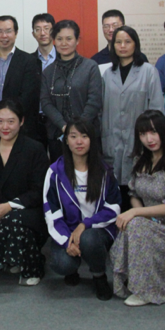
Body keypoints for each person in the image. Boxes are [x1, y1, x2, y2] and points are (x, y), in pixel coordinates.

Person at [110, 110, 165, 306]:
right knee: (133, 225)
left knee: (135, 223)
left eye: (153, 132)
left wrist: (136, 213)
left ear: (163, 132)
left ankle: (146, 290)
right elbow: (133, 194)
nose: (149, 139)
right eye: (143, 134)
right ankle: (135, 279)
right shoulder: (140, 159)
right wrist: (140, 215)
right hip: (150, 220)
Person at [43, 119, 121, 300]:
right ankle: (72, 269)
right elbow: (51, 212)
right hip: (67, 231)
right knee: (62, 264)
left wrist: (85, 225)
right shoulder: (55, 172)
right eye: (73, 136)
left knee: (89, 238)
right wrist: (67, 241)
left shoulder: (105, 171)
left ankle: (99, 275)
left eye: (84, 136)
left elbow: (114, 207)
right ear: (66, 140)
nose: (79, 142)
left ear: (92, 140)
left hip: (97, 231)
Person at [0, 100, 49, 285]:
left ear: (21, 121)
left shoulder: (35, 149)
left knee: (14, 220)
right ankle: (15, 259)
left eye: (11, 121)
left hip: (28, 212)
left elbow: (39, 191)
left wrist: (9, 206)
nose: (5, 127)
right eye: (0, 121)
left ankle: (30, 266)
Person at [101, 26, 165, 197]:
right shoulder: (107, 74)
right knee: (115, 192)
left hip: (139, 140)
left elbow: (157, 110)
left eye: (127, 42)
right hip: (112, 140)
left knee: (139, 191)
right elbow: (101, 110)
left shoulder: (148, 71)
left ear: (135, 44)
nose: (123, 46)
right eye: (118, 42)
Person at [40, 20, 103, 162]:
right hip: (57, 134)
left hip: (86, 134)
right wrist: (64, 126)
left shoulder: (90, 67)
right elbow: (46, 103)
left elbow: (94, 101)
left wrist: (77, 129)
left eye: (69, 39)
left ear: (77, 40)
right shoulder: (48, 72)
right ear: (54, 40)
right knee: (61, 171)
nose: (64, 43)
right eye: (59, 39)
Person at [0, 15, 41, 145]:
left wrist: (9, 123)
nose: (4, 35)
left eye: (8, 31)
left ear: (16, 33)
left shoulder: (30, 62)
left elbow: (28, 96)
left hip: (20, 129)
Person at [91, 9, 147, 74]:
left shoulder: (140, 57)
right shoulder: (96, 60)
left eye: (115, 25)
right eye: (106, 26)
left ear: (123, 26)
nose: (111, 30)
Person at [31, 13, 56, 144]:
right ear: (33, 34)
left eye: (47, 28)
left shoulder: (64, 59)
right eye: (38, 29)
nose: (42, 33)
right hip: (35, 121)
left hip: (58, 120)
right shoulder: (28, 61)